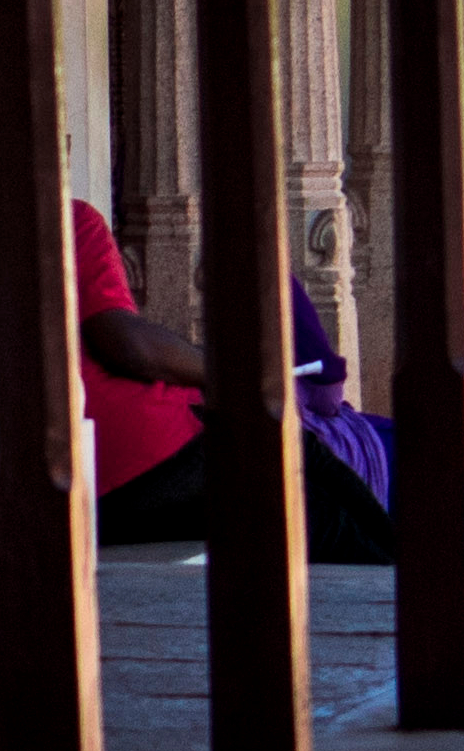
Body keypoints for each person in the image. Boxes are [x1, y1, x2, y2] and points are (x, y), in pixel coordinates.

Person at [69, 201, 395, 560]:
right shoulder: (68, 220)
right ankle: (402, 576)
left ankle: (399, 563)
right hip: (140, 464)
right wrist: (235, 373)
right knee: (315, 507)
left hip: (94, 485)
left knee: (307, 456)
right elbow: (129, 345)